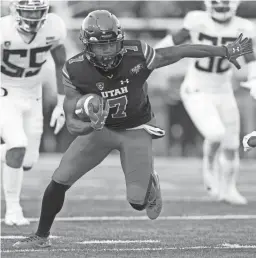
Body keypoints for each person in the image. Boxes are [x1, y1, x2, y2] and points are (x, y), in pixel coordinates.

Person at [13, 9, 252, 248]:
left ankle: (150, 184)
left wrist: (224, 51)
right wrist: (90, 124)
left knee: (137, 202)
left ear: (120, 41)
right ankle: (41, 236)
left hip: (137, 128)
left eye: (111, 45)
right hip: (101, 130)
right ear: (87, 46)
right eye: (100, 46)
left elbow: (180, 51)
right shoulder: (75, 70)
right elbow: (73, 124)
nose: (107, 52)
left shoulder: (137, 54)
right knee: (60, 178)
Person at [154, 0, 256, 205]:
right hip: (197, 88)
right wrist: (151, 55)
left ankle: (228, 189)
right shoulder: (196, 20)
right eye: (217, 4)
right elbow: (172, 41)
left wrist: (254, 78)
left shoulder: (244, 26)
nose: (220, 8)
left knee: (231, 144)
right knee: (215, 133)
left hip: (224, 89)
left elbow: (251, 58)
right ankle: (209, 165)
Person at [0, 0, 67, 226]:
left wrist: (61, 102)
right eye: (29, 12)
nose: (34, 16)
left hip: (34, 95)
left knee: (27, 160)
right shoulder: (3, 30)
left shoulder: (54, 27)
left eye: (39, 11)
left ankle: (9, 154)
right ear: (15, 11)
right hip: (5, 93)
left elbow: (61, 64)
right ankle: (13, 209)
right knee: (17, 145)